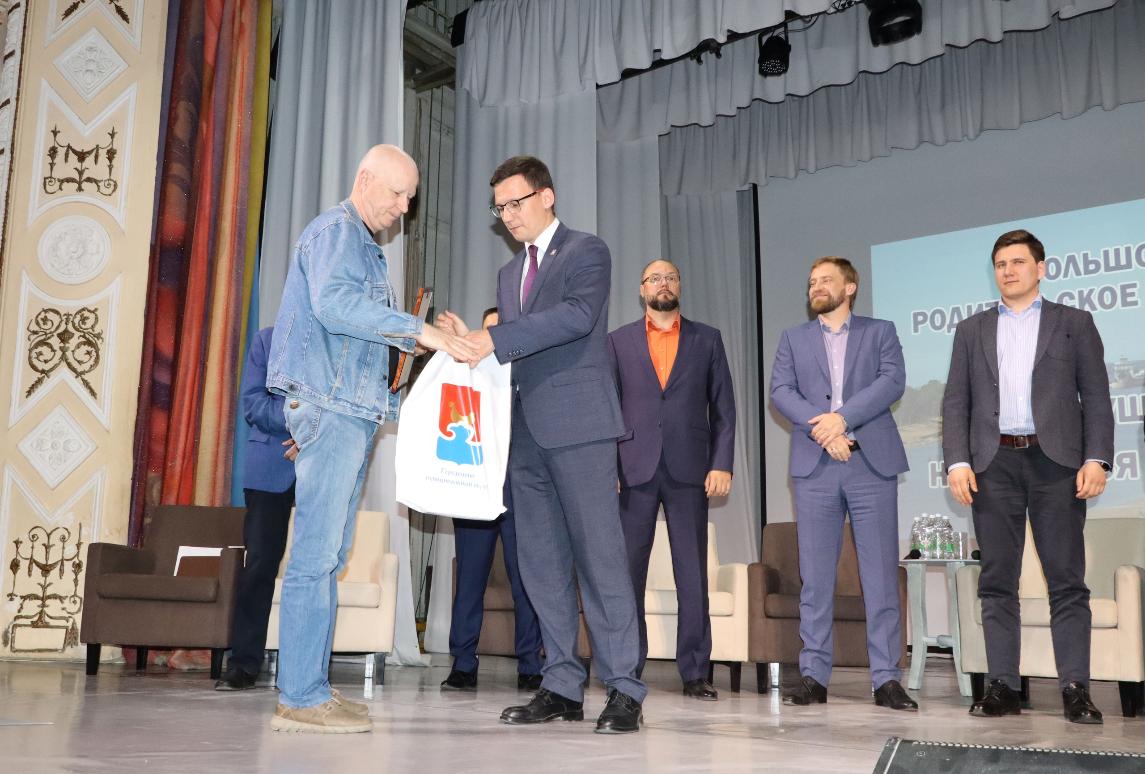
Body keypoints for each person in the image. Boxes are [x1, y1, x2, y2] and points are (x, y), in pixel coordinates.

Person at [266, 145, 477, 734]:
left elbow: (358, 329)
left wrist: (424, 339)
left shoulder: (361, 244)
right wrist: (419, 330)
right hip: (333, 410)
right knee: (316, 556)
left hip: (349, 411)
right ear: (364, 179)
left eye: (411, 198)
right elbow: (336, 307)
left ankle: (310, 687)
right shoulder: (336, 231)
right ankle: (300, 696)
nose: (405, 208)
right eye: (397, 193)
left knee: (330, 556)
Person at [438, 155, 645, 734]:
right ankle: (560, 685)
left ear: (546, 196)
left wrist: (494, 337)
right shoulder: (510, 275)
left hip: (580, 426)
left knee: (600, 559)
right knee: (541, 564)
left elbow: (576, 318)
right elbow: (512, 351)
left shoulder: (586, 251)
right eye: (499, 207)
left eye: (516, 202)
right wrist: (468, 344)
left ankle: (624, 689)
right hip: (524, 433)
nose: (507, 215)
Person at [942, 229, 1113, 724]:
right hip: (993, 465)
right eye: (1000, 264)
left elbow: (1096, 396)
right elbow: (956, 402)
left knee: (1066, 580)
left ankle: (1075, 689)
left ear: (1041, 268)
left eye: (1018, 262)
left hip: (1056, 464)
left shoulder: (1074, 323)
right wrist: (957, 462)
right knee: (997, 580)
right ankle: (1003, 686)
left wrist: (1097, 458)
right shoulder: (970, 330)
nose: (1008, 271)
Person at [770, 256, 917, 712]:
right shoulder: (793, 338)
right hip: (816, 466)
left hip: (870, 464)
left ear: (849, 287)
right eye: (812, 281)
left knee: (879, 576)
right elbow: (781, 391)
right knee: (815, 578)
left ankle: (886, 679)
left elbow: (892, 381)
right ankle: (813, 676)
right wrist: (825, 430)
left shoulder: (880, 332)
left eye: (826, 280)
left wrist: (843, 419)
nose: (816, 287)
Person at [606, 259, 735, 702]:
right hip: (632, 469)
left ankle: (696, 672)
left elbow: (724, 410)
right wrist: (609, 467)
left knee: (692, 573)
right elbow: (609, 409)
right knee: (627, 573)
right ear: (642, 290)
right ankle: (626, 669)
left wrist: (722, 463)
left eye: (671, 277)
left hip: (690, 469)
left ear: (680, 286)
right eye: (655, 278)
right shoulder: (618, 341)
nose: (663, 284)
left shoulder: (707, 339)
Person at [442, 309, 543, 692]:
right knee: (469, 581)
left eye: (501, 331)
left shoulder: (530, 376)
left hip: (521, 491)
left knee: (526, 581)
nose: (493, 338)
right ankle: (463, 664)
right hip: (476, 490)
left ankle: (531, 665)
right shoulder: (466, 376)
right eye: (487, 331)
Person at [215, 327, 297, 691]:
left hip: (323, 460)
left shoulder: (336, 336)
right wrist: (301, 420)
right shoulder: (267, 340)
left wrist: (312, 431)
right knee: (260, 564)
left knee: (316, 567)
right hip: (269, 463)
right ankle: (244, 663)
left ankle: (304, 669)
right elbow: (253, 403)